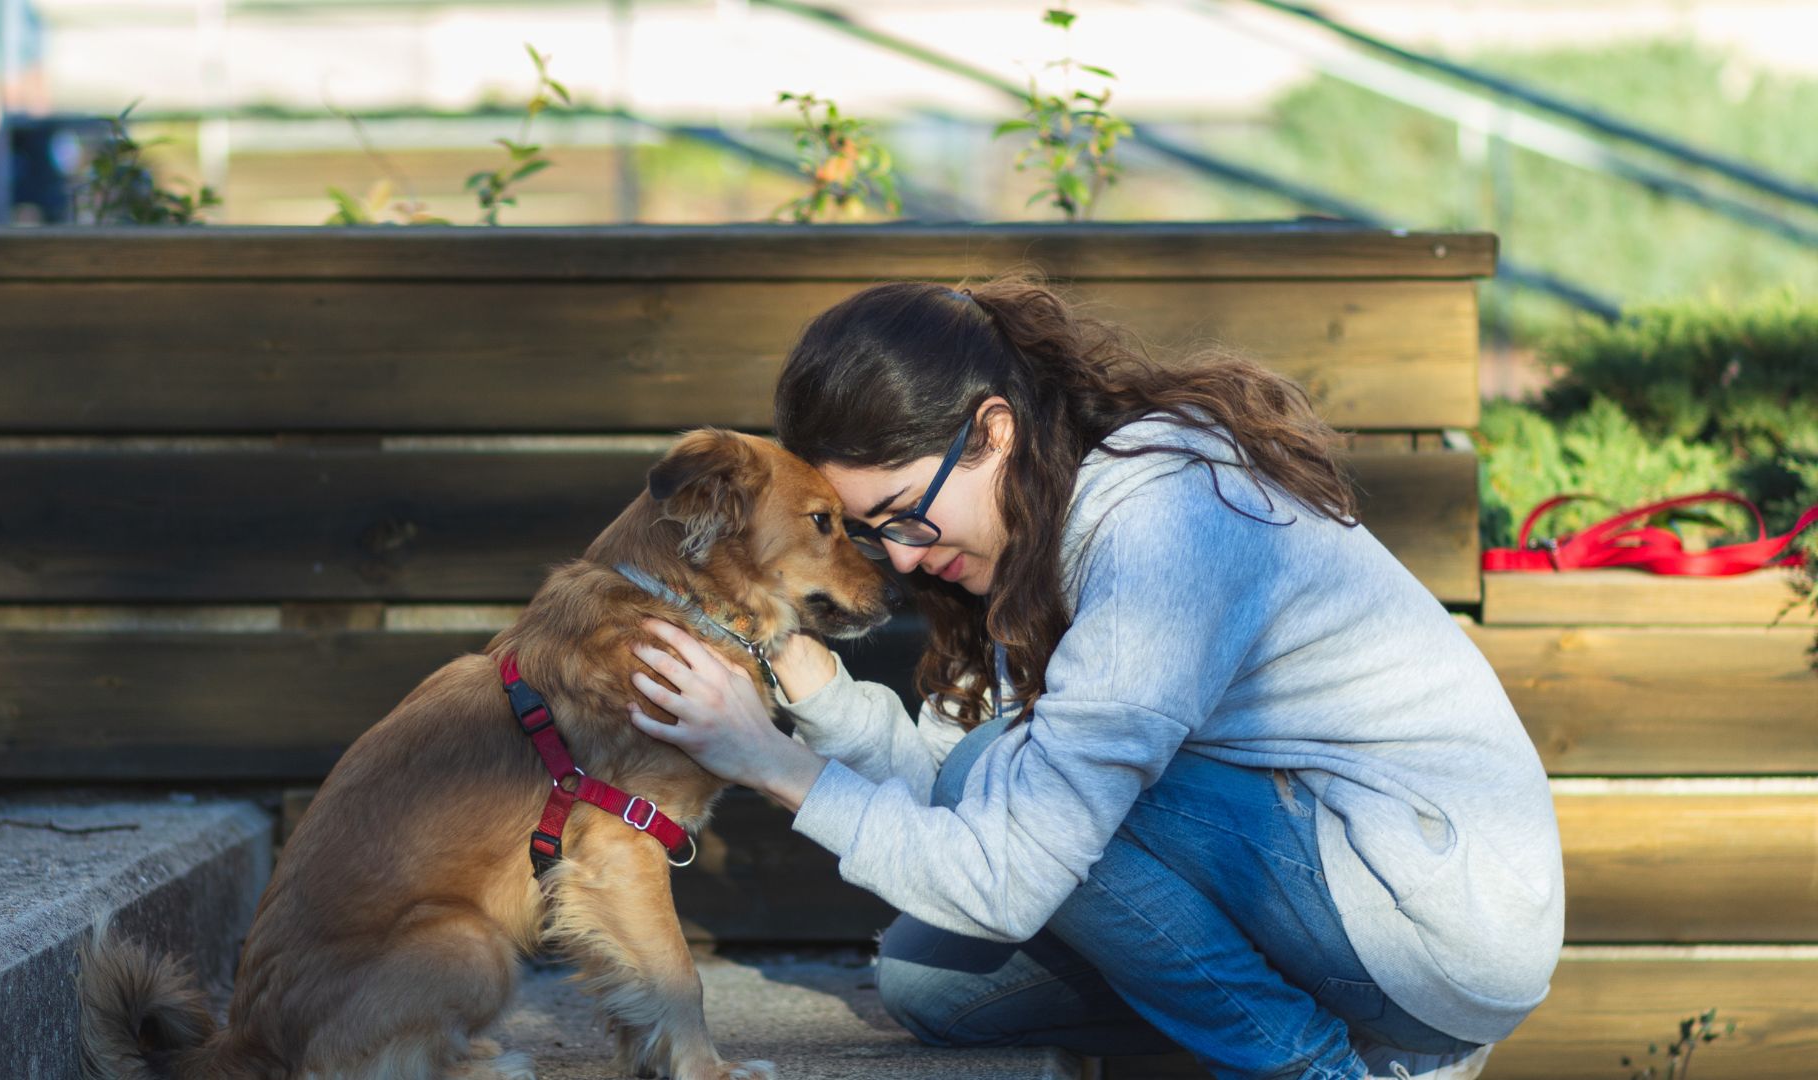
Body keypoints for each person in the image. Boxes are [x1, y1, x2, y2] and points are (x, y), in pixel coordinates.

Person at [623, 271, 1563, 1080]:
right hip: (1339, 893)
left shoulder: (1166, 523)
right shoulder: (1028, 540)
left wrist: (775, 769)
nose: (899, 562)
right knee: (931, 977)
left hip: (1433, 904)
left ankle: (1313, 1066)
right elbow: (964, 827)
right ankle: (1349, 1038)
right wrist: (811, 688)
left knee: (1003, 781)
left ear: (992, 430)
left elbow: (1009, 857)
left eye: (903, 513)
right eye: (871, 531)